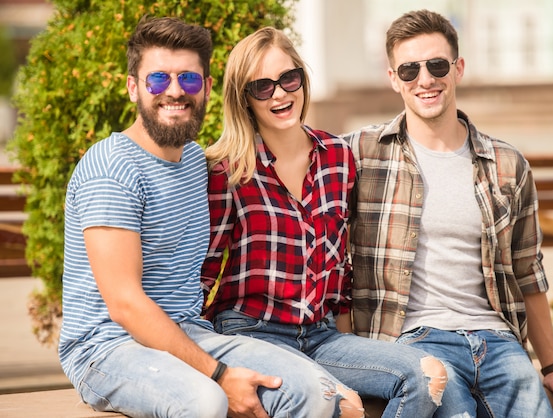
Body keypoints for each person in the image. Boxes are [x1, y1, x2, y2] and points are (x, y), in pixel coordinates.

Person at [58, 16, 346, 418]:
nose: (174, 91)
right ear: (132, 87)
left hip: (190, 331)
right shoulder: (111, 169)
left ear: (207, 88)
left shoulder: (196, 162)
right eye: (158, 80)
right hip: (107, 347)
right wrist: (220, 373)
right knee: (205, 400)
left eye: (189, 80)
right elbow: (125, 305)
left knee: (313, 391)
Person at [343, 9, 553, 418]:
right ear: (393, 79)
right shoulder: (360, 154)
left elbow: (529, 272)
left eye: (436, 65)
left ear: (458, 69)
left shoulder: (507, 164)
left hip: (497, 342)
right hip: (414, 342)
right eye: (409, 70)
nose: (425, 79)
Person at [201, 26, 448, 418]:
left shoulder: (337, 156)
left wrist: (350, 344)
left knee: (427, 375)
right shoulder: (227, 171)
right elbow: (204, 271)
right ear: (244, 99)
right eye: (262, 87)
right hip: (251, 333)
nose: (280, 94)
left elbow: (340, 261)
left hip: (321, 334)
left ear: (302, 78)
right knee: (343, 405)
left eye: (288, 78)